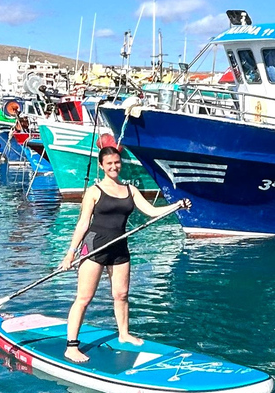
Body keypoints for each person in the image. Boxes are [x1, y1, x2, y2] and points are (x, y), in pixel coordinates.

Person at [60, 146, 191, 363]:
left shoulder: (130, 190)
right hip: (94, 247)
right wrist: (70, 254)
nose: (114, 167)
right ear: (101, 166)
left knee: (121, 295)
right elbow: (83, 223)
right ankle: (71, 346)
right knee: (84, 298)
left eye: (117, 162)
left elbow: (151, 211)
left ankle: (123, 333)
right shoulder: (94, 191)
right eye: (109, 163)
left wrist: (177, 206)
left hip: (120, 247)